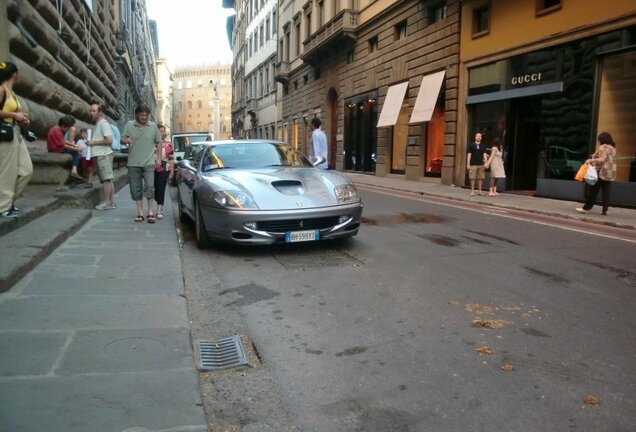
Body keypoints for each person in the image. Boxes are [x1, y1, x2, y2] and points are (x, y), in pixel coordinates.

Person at [0, 62, 33, 218]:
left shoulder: (11, 92)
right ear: (14, 74)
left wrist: (21, 119)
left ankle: (8, 201)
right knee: (8, 172)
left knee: (26, 170)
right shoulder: (1, 90)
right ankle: (3, 207)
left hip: (16, 132)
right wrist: (14, 115)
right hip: (6, 133)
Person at [122, 104, 162, 223]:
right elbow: (122, 138)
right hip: (133, 163)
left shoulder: (153, 126)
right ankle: (140, 212)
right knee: (135, 189)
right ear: (137, 115)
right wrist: (126, 140)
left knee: (149, 186)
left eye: (146, 115)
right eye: (141, 115)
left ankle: (150, 211)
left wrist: (158, 158)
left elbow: (159, 142)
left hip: (149, 162)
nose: (144, 117)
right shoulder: (130, 125)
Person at [576, 132, 617, 216]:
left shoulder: (602, 147)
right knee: (606, 192)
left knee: (593, 191)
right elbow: (609, 159)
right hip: (610, 172)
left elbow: (602, 159)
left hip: (601, 172)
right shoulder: (613, 148)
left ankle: (586, 208)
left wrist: (591, 160)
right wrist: (595, 156)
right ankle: (605, 211)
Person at [86, 104, 115, 210]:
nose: (91, 113)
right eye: (90, 111)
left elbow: (109, 140)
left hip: (103, 155)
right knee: (108, 179)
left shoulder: (103, 124)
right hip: (102, 155)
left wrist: (93, 142)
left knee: (106, 180)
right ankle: (110, 202)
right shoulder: (99, 124)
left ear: (100, 112)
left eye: (94, 111)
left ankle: (107, 202)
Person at [46, 115, 82, 179]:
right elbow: (63, 145)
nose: (68, 130)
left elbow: (63, 140)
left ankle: (74, 170)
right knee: (75, 153)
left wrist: (74, 145)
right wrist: (76, 148)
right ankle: (74, 171)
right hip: (56, 150)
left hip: (56, 148)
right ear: (63, 126)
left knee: (75, 151)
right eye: (68, 128)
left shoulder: (57, 128)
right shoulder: (57, 131)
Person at [154, 124, 174, 219]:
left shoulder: (168, 143)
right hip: (152, 167)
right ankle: (159, 202)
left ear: (164, 132)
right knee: (154, 189)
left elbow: (171, 159)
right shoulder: (151, 143)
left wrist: (172, 171)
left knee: (161, 188)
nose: (160, 133)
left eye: (162, 131)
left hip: (164, 167)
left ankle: (159, 209)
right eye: (158, 131)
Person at [466, 132, 488, 196]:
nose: (478, 137)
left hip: (481, 164)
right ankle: (472, 191)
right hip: (473, 164)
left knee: (480, 178)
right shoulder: (471, 145)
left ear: (481, 138)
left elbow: (484, 154)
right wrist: (468, 164)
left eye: (480, 136)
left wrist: (486, 162)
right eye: (477, 136)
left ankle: (480, 191)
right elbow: (469, 154)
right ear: (475, 137)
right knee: (472, 178)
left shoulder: (483, 146)